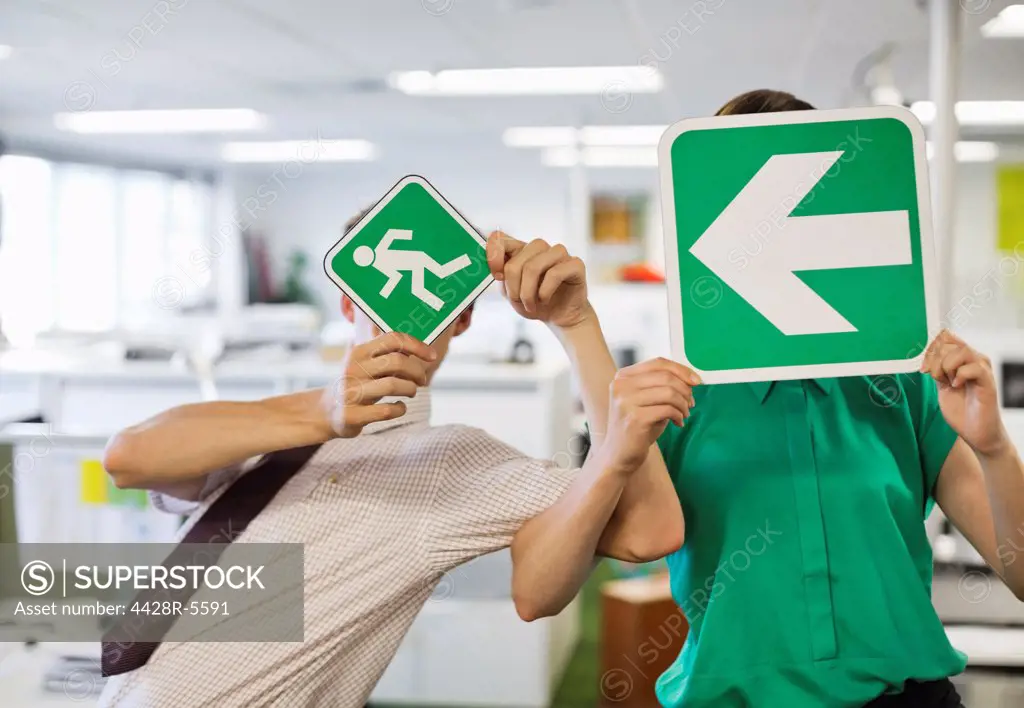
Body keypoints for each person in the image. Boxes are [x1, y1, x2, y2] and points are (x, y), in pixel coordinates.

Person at [485, 89, 1024, 708]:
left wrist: (994, 446)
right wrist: (579, 333)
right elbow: (538, 593)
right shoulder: (673, 399)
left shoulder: (904, 385)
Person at [95, 211, 696, 707]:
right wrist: (323, 410)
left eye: (434, 295)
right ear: (347, 305)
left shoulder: (452, 463)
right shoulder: (268, 432)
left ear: (458, 321)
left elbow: (648, 532)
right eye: (376, 288)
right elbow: (127, 457)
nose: (402, 310)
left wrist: (576, 325)